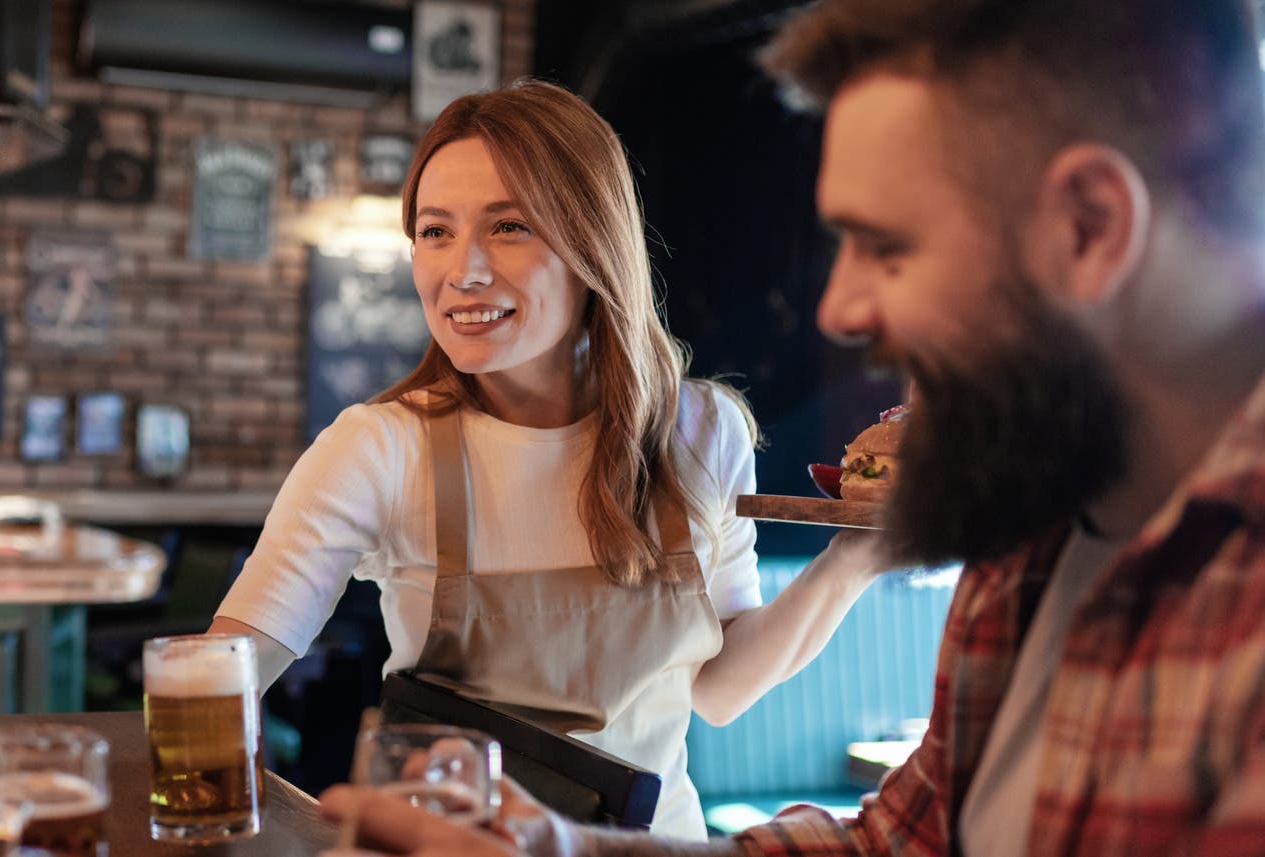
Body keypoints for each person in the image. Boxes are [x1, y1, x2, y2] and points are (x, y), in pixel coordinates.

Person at [317, 0, 1265, 854]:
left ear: (1090, 226)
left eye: (888, 247)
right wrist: (564, 850)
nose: (840, 309)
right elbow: (897, 841)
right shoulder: (1035, 544)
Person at [209, 80, 886, 838]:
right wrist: (292, 829)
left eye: (509, 226)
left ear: (592, 241)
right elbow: (218, 683)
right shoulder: (377, 448)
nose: (462, 271)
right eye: (434, 231)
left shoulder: (702, 430)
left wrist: (857, 557)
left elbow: (721, 689)